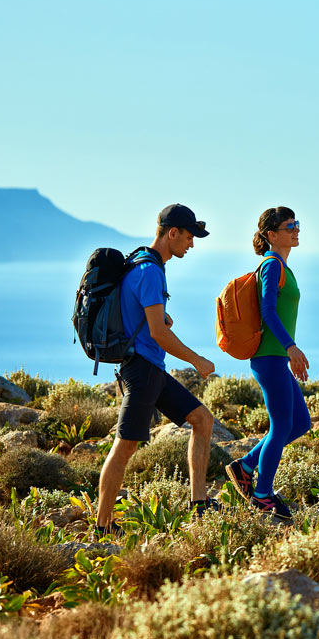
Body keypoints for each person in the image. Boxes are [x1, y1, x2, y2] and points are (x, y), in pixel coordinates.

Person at [95, 203, 219, 535]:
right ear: (172, 232)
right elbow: (158, 334)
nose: (191, 245)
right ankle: (103, 526)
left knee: (202, 420)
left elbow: (143, 316)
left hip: (150, 368)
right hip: (142, 370)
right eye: (189, 237)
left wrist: (159, 316)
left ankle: (200, 504)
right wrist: (197, 361)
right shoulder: (150, 271)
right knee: (125, 446)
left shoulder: (139, 262)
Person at [224, 206, 310, 522]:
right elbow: (268, 311)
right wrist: (291, 347)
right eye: (290, 226)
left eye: (297, 224)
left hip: (276, 359)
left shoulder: (282, 267)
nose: (296, 229)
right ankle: (261, 494)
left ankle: (246, 465)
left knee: (300, 423)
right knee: (281, 425)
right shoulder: (272, 265)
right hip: (270, 358)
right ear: (272, 235)